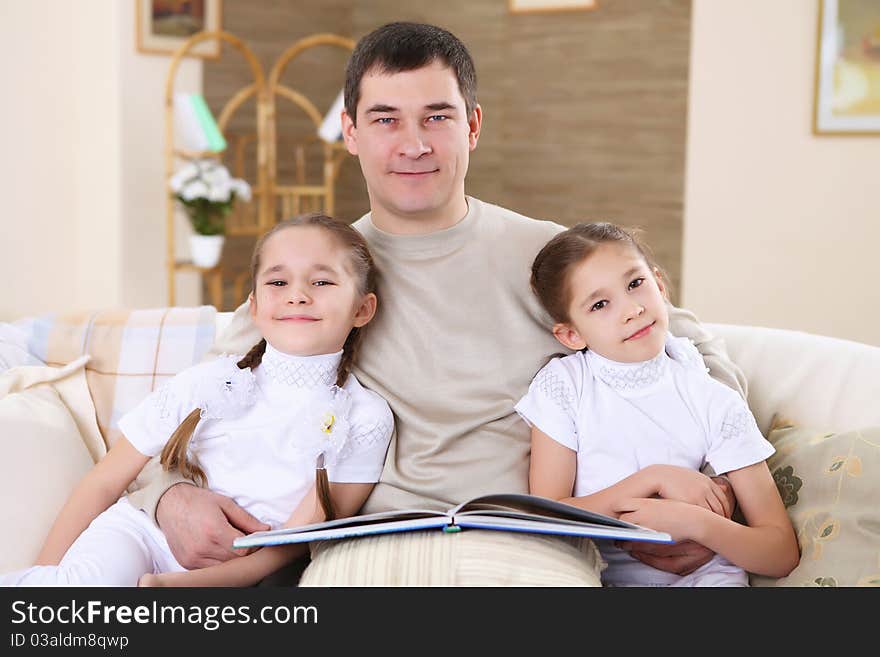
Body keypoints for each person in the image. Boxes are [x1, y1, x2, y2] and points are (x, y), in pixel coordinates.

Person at [132, 22, 750, 585]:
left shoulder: (547, 254)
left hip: (528, 538)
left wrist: (719, 493)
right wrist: (168, 496)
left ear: (473, 126)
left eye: (436, 117)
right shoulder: (320, 278)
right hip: (362, 545)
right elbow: (193, 400)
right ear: (350, 132)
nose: (413, 144)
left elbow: (691, 347)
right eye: (384, 120)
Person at [0, 214, 393, 586]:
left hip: (225, 577)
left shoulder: (364, 417)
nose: (298, 296)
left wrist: (176, 587)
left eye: (321, 282)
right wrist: (43, 577)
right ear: (254, 306)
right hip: (139, 534)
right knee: (80, 592)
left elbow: (287, 548)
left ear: (363, 308)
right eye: (278, 283)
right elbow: (104, 481)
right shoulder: (207, 382)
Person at [517, 222, 799, 586]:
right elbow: (548, 516)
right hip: (597, 575)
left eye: (635, 284)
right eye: (600, 304)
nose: (632, 309)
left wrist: (697, 524)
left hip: (704, 578)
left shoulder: (713, 400)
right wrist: (654, 479)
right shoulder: (564, 387)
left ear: (659, 285)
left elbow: (780, 552)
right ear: (571, 334)